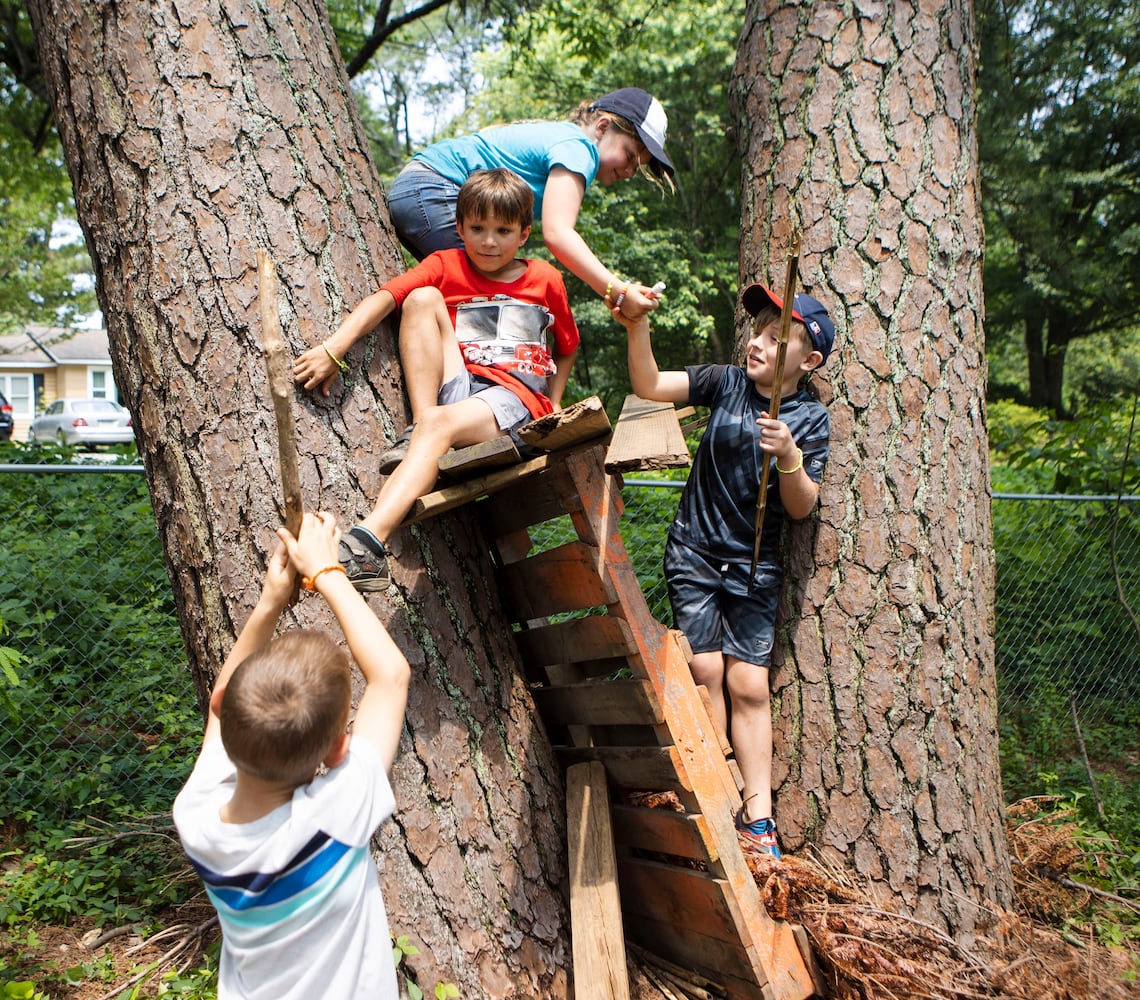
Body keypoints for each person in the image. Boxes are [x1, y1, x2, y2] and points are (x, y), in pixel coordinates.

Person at [616, 281, 835, 859]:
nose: (757, 344)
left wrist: (789, 455)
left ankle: (759, 816)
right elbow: (649, 385)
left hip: (756, 568)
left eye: (774, 338)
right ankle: (722, 795)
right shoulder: (727, 383)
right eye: (757, 332)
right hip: (694, 552)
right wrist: (638, 327)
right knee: (706, 669)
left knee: (749, 683)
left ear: (808, 361)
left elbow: (801, 505)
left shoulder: (811, 420)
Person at [295, 168, 579, 591]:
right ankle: (424, 430)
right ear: (459, 227)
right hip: (461, 389)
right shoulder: (446, 264)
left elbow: (567, 346)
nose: (488, 241)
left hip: (514, 402)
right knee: (422, 296)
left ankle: (369, 541)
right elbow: (386, 297)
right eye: (477, 228)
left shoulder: (545, 279)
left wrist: (553, 403)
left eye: (502, 230)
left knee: (441, 423)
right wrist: (335, 349)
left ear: (523, 234)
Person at [171, 510, 412, 999]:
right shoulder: (335, 817)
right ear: (338, 748)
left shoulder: (196, 819)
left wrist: (269, 603)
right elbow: (391, 675)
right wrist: (328, 571)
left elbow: (222, 706)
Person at [292, 88, 672, 393]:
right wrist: (618, 291)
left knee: (477, 293)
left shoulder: (561, 138)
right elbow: (558, 233)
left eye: (639, 165)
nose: (630, 169)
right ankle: (475, 400)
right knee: (490, 298)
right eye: (630, 153)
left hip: (420, 187)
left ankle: (475, 399)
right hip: (435, 190)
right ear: (603, 127)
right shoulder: (579, 148)